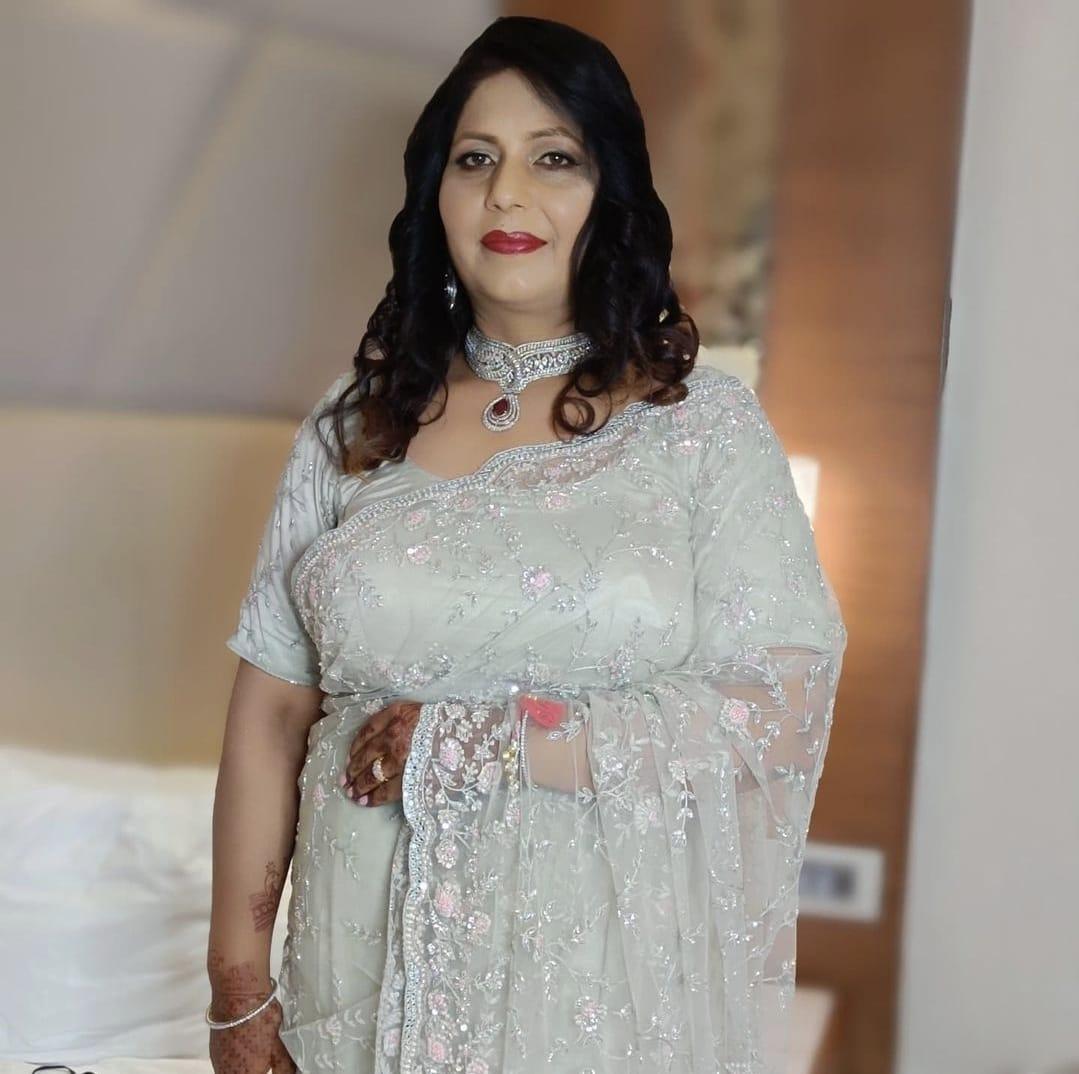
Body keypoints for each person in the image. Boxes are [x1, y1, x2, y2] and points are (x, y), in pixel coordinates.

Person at [207, 15, 846, 1074]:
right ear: (436, 197)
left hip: (590, 994)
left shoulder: (700, 429)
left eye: (554, 159)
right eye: (475, 160)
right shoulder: (353, 423)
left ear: (610, 194)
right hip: (352, 989)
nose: (507, 195)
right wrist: (238, 994)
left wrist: (480, 743)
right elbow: (270, 715)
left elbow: (776, 705)